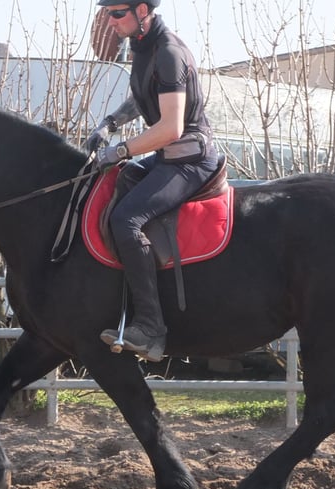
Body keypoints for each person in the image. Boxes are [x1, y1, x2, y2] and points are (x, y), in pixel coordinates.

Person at [88, 0, 219, 362]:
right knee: (116, 186)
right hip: (168, 157)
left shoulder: (169, 53)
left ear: (141, 9)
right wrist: (111, 122)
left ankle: (151, 329)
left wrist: (120, 150)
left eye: (116, 13)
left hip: (190, 160)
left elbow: (171, 127)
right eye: (106, 14)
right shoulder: (142, 46)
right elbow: (144, 96)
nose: (110, 21)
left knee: (126, 219)